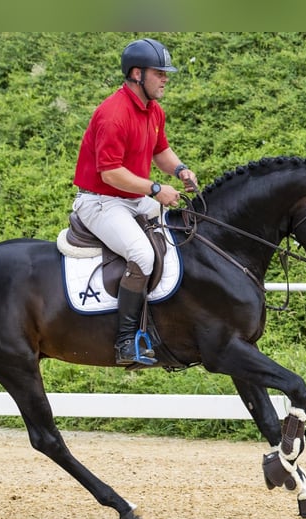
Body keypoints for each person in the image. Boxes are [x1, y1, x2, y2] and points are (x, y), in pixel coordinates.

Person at [72, 37, 199, 366]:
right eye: (160, 73)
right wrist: (156, 189)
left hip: (130, 198)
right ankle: (126, 341)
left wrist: (180, 169)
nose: (165, 78)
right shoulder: (113, 114)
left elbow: (160, 152)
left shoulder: (153, 110)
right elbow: (111, 173)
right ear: (137, 74)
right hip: (101, 201)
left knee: (177, 231)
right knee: (142, 255)